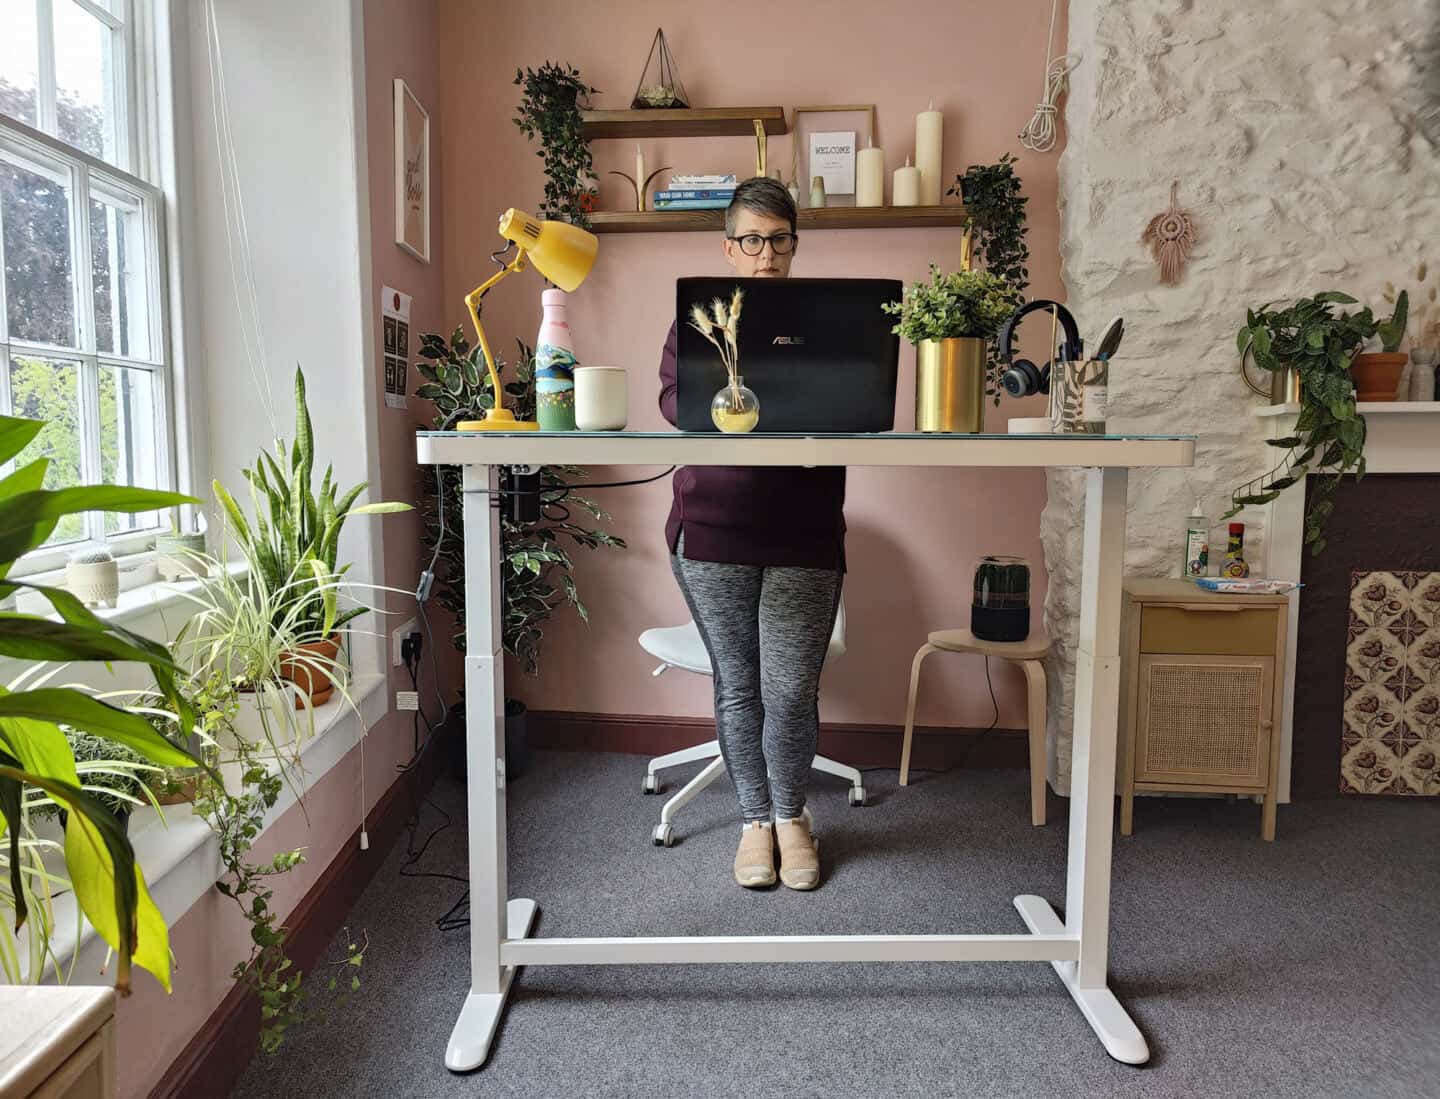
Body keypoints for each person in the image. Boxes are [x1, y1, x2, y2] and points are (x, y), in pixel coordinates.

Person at [658, 177, 843, 891]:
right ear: (729, 247)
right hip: (713, 528)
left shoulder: (826, 323)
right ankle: (754, 821)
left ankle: (793, 815)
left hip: (803, 530)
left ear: (795, 244)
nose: (766, 255)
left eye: (780, 239)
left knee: (791, 690)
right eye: (752, 240)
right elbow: (674, 401)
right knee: (740, 687)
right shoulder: (697, 322)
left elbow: (859, 400)